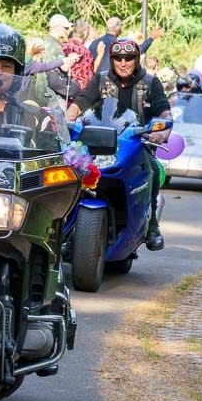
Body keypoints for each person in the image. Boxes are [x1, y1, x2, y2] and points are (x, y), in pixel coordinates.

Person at [67, 38, 171, 251]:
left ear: (137, 59)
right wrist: (65, 121)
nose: (123, 63)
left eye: (129, 58)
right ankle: (65, 225)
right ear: (112, 60)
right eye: (118, 58)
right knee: (68, 169)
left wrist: (163, 131)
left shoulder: (151, 82)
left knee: (151, 169)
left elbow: (164, 110)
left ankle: (152, 226)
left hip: (136, 143)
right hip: (98, 144)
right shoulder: (102, 79)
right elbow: (81, 101)